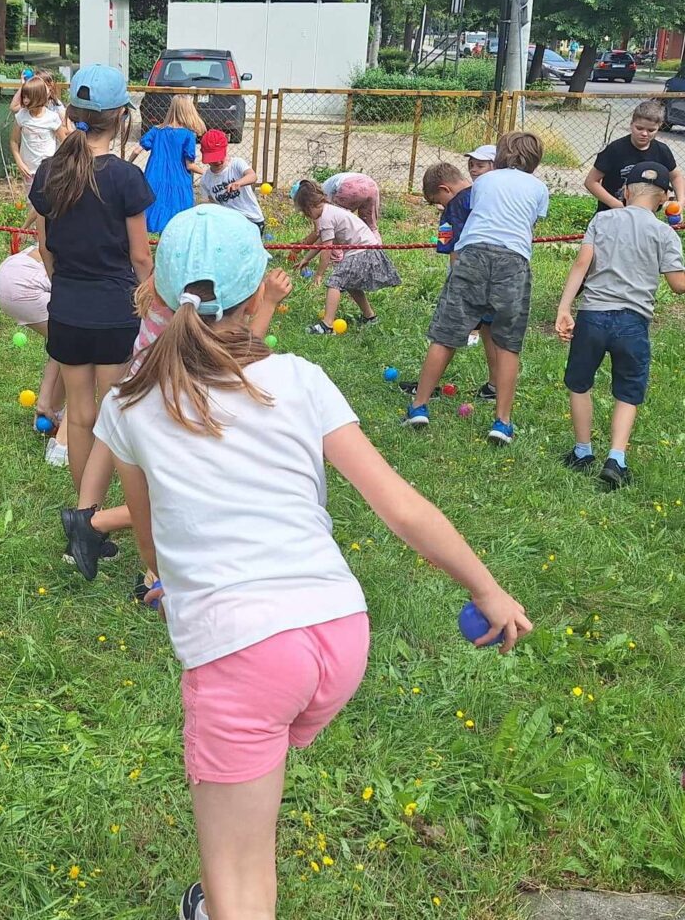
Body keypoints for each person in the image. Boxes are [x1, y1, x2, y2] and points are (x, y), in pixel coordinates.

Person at [90, 203, 532, 920]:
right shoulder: (299, 377)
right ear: (257, 286)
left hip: (246, 654)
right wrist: (488, 587)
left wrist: (162, 576)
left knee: (240, 878)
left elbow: (147, 533)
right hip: (338, 633)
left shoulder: (130, 404)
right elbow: (403, 508)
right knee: (257, 782)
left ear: (162, 296)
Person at [62, 217, 292, 580]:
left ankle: (82, 517)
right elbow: (237, 355)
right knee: (176, 490)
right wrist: (269, 305)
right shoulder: (200, 321)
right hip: (168, 400)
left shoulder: (162, 292)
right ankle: (138, 561)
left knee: (108, 442)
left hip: (135, 387)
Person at [29, 64, 154, 511]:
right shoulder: (125, 178)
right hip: (116, 314)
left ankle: (86, 512)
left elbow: (45, 248)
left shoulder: (48, 173)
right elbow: (141, 256)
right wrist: (154, 301)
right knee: (115, 418)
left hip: (67, 312)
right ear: (121, 116)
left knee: (80, 418)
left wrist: (64, 286)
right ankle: (112, 518)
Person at [405, 133, 549, 444]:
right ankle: (502, 422)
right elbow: (528, 223)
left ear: (500, 156)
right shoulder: (540, 188)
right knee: (508, 342)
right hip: (513, 261)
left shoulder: (483, 182)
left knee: (446, 334)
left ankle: (419, 406)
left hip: (473, 255)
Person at [556, 162, 685, 489]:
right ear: (663, 199)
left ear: (625, 192)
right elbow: (677, 284)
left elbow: (582, 264)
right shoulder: (665, 233)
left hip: (593, 315)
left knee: (579, 382)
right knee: (628, 391)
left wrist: (564, 307)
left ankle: (583, 451)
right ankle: (616, 458)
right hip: (633, 322)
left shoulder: (602, 219)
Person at [403, 162, 499, 401]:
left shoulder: (454, 207)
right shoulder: (488, 194)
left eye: (438, 200)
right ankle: (495, 387)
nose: (441, 206)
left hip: (468, 275)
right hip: (500, 273)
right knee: (491, 330)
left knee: (446, 334)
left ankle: (425, 393)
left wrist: (457, 278)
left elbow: (452, 245)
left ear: (445, 189)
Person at [0, 244, 69, 467]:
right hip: (27, 284)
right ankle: (64, 442)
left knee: (67, 342)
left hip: (12, 269)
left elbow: (60, 346)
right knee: (83, 354)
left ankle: (50, 410)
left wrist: (44, 399)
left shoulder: (66, 213)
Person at [292, 180, 401, 333]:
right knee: (351, 284)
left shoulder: (325, 216)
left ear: (310, 207)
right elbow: (322, 240)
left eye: (306, 213)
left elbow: (327, 249)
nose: (308, 217)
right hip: (367, 249)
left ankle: (327, 325)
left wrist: (319, 274)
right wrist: (307, 258)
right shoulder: (329, 211)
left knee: (335, 282)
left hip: (363, 251)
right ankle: (370, 317)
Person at [585, 100, 685, 212]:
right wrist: (616, 205)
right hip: (612, 213)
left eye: (651, 130)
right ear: (631, 124)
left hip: (646, 215)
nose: (644, 134)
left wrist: (680, 202)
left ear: (659, 127)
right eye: (639, 128)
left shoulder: (662, 151)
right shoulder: (615, 149)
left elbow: (676, 177)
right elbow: (591, 182)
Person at [129, 94, 206, 233]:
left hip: (155, 175)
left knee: (155, 204)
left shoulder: (156, 130)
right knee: (178, 207)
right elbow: (189, 165)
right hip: (179, 178)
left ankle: (151, 230)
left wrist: (127, 164)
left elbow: (136, 150)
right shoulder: (188, 135)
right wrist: (206, 172)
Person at [9, 76, 66, 232]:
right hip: (29, 170)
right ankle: (35, 238)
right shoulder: (21, 116)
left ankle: (33, 234)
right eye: (24, 96)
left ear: (39, 96)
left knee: (44, 205)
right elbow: (14, 142)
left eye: (28, 96)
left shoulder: (52, 118)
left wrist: (57, 164)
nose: (25, 100)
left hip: (47, 171)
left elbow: (65, 142)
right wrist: (19, 162)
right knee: (32, 204)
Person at [199, 129, 265, 235]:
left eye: (219, 156)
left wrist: (238, 183)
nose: (217, 161)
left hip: (251, 220)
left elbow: (252, 176)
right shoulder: (206, 180)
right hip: (228, 223)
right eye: (213, 158)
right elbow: (208, 202)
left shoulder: (236, 164)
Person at [321, 171, 382, 241]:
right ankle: (378, 249)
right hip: (371, 186)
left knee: (336, 226)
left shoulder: (322, 194)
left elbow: (324, 225)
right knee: (371, 227)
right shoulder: (328, 184)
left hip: (350, 186)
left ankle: (337, 251)